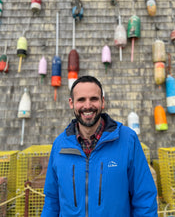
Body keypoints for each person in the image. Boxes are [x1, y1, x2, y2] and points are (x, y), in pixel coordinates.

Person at [41, 75, 158, 217]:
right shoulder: (59, 145)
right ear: (71, 103)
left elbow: (144, 197)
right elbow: (52, 201)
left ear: (102, 102)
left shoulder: (127, 140)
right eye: (81, 99)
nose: (88, 105)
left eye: (94, 99)